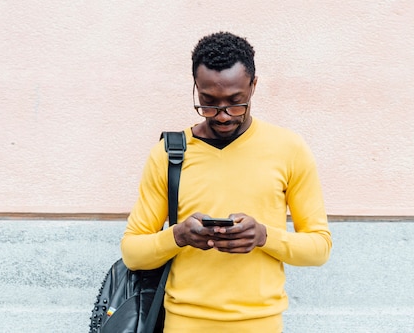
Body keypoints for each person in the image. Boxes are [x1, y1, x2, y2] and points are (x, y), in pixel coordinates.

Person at [121, 32, 332, 332]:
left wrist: (263, 236)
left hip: (260, 324)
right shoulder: (168, 155)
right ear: (196, 88)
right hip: (184, 323)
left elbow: (319, 247)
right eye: (208, 103)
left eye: (235, 103)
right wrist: (177, 236)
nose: (221, 116)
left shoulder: (289, 149)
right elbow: (132, 251)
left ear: (253, 86)